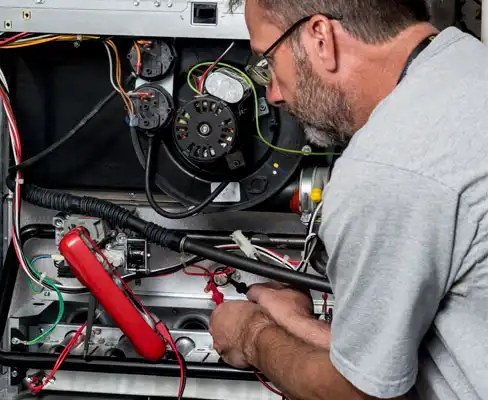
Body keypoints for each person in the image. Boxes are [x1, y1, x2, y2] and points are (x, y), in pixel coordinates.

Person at [208, 1, 488, 399]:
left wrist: (251, 336)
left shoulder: (389, 166)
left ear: (320, 37)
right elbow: (415, 352)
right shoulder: (467, 63)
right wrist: (296, 323)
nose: (271, 93)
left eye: (268, 60)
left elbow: (353, 394)